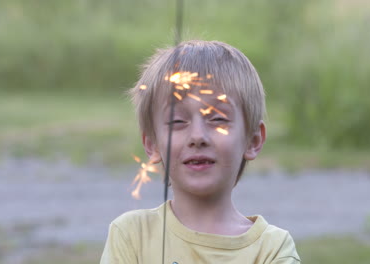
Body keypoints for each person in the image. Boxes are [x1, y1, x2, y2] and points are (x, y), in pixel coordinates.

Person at [100, 40, 300, 263]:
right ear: (152, 143)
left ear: (252, 140)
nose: (197, 136)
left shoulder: (273, 249)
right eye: (177, 120)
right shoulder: (131, 235)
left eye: (217, 119)